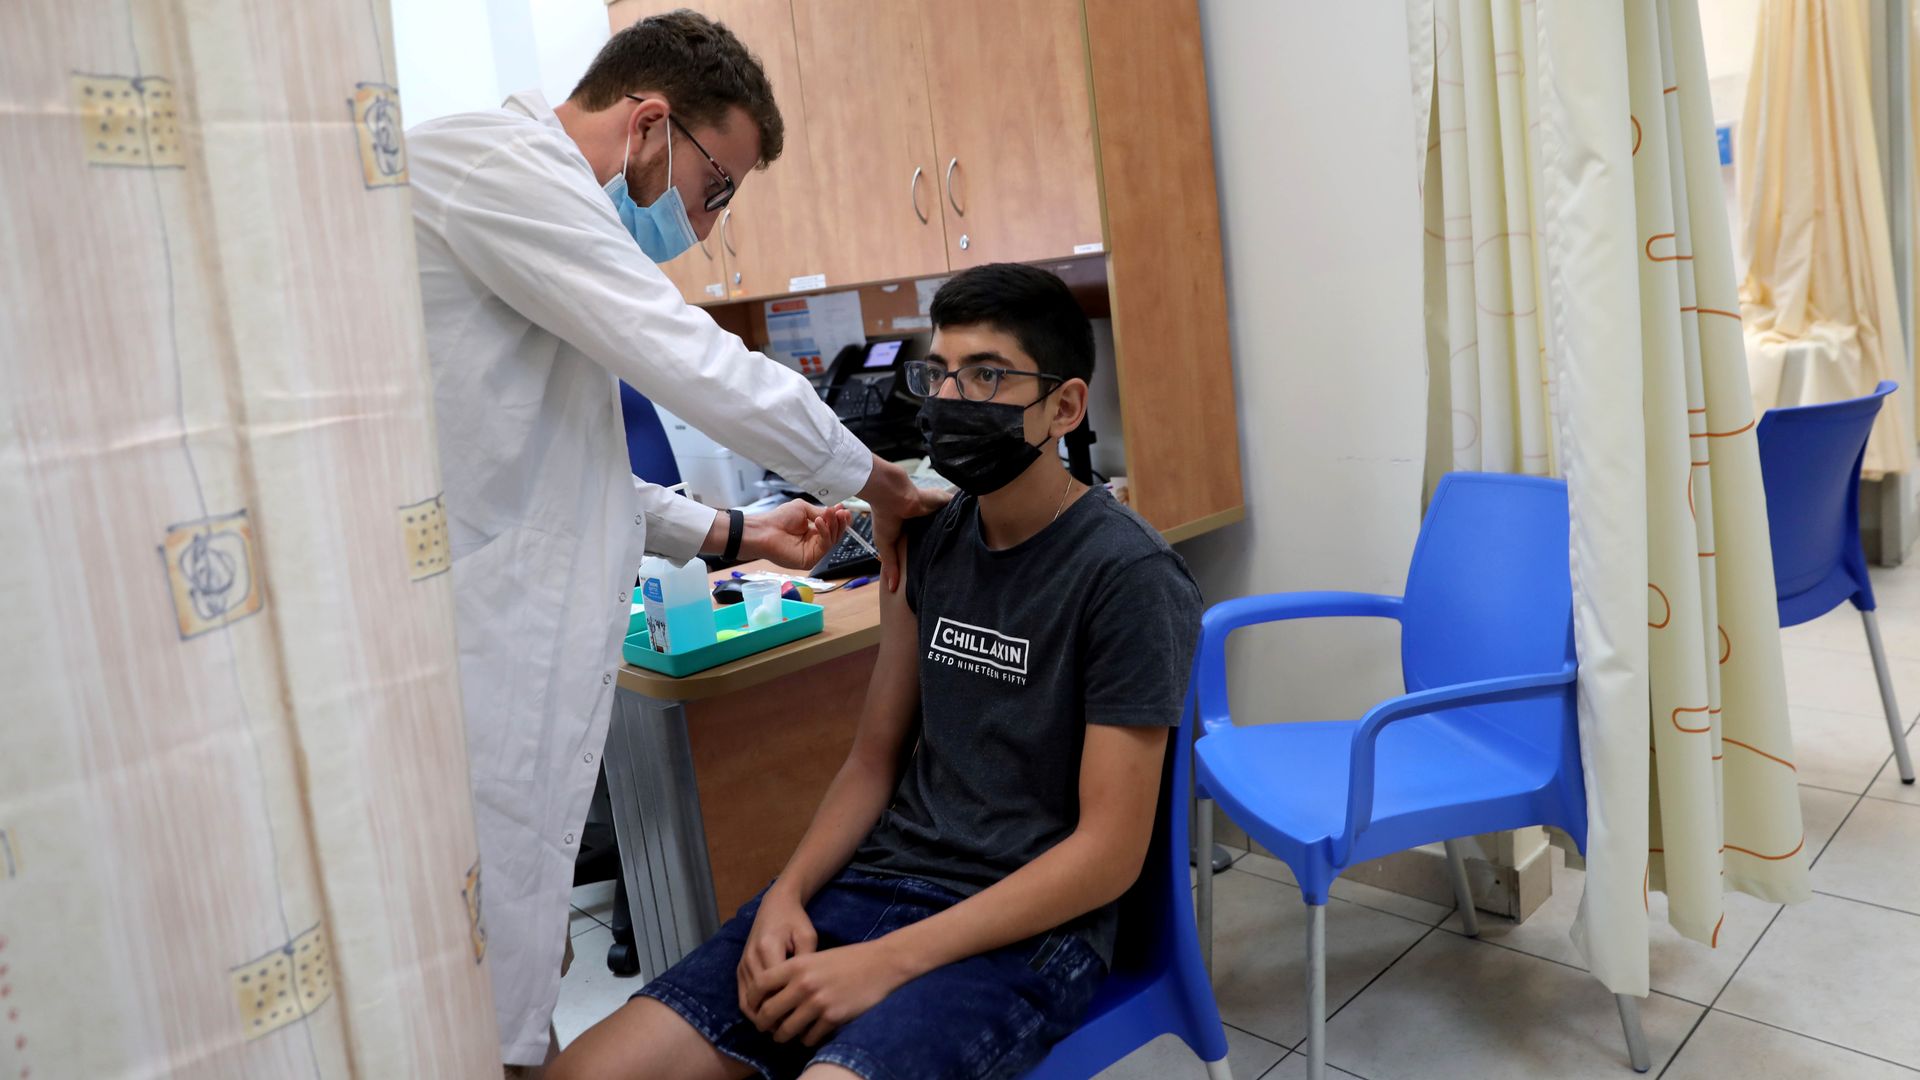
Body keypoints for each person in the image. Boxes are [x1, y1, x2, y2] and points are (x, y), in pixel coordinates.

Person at [405, 11, 941, 1072]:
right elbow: (690, 360)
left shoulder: (536, 220)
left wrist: (743, 529)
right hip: (460, 662)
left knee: (504, 984)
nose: (709, 222)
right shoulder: (493, 166)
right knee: (464, 1001)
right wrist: (883, 486)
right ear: (650, 125)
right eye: (719, 187)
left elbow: (567, 468)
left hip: (510, 654)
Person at [549, 263, 1205, 1080]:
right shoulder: (925, 539)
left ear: (1065, 406)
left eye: (988, 374)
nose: (951, 400)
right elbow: (871, 760)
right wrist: (785, 896)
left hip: (1025, 931)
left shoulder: (1129, 577)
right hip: (875, 882)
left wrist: (890, 961)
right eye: (940, 373)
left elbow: (1108, 853)